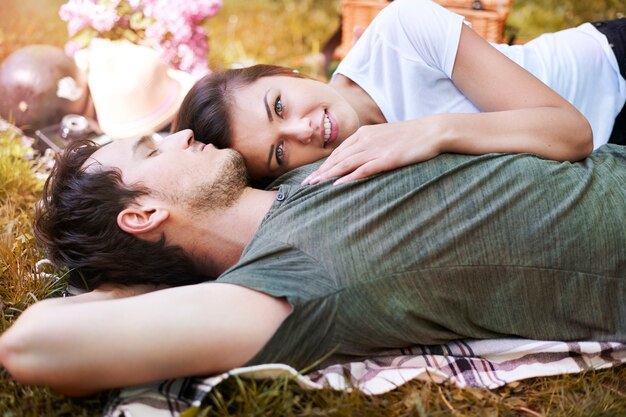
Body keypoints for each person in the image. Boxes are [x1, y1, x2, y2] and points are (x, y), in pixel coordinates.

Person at [1, 129, 625, 396]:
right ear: (141, 217)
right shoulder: (281, 283)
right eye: (152, 148)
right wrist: (130, 287)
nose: (177, 134)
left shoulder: (300, 173)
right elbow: (28, 347)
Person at [174, 0, 626, 184]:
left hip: (614, 74)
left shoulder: (402, 31)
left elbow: (572, 133)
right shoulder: (338, 176)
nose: (303, 129)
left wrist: (433, 131)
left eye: (279, 105)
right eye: (279, 152)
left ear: (287, 71)